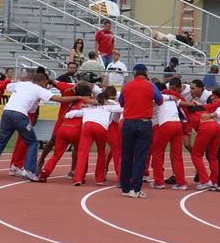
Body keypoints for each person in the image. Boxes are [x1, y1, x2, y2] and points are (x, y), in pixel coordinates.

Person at [0, 72, 83, 180]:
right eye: (45, 84)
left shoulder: (21, 84)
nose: (45, 86)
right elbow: (59, 99)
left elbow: (6, 85)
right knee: (32, 142)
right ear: (42, 81)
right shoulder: (38, 89)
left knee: (0, 143)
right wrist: (78, 97)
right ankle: (29, 170)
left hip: (6, 113)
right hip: (20, 115)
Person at [119, 64, 163, 198]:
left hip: (127, 122)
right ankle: (136, 189)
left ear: (134, 73)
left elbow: (121, 103)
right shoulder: (150, 85)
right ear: (146, 73)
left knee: (126, 156)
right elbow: (160, 100)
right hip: (144, 123)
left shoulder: (126, 85)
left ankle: (125, 188)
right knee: (140, 157)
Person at [38, 83, 92, 182]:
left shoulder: (72, 103)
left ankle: (44, 174)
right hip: (76, 130)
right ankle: (79, 176)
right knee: (82, 154)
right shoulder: (88, 101)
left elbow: (63, 116)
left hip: (63, 129)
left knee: (56, 155)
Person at [67, 93, 123, 186]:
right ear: (105, 100)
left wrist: (68, 115)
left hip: (87, 127)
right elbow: (122, 108)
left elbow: (70, 114)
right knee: (101, 154)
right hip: (101, 128)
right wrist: (110, 103)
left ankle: (78, 178)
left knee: (82, 154)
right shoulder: (107, 107)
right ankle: (99, 179)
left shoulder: (87, 108)